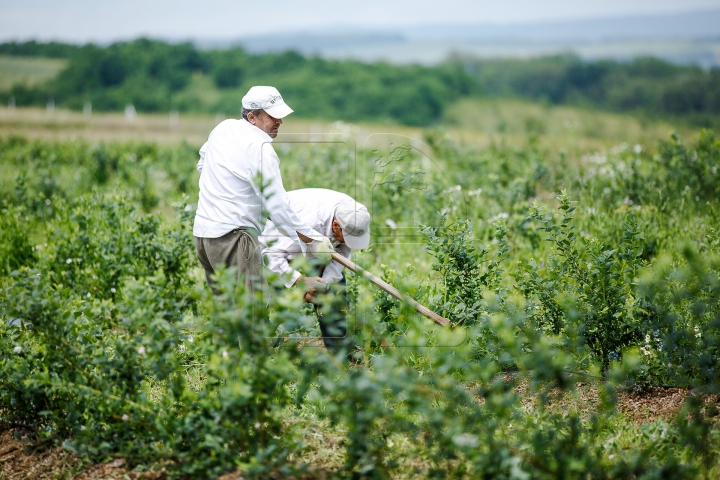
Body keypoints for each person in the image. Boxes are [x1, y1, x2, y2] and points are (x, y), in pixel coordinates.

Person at [193, 86, 334, 294]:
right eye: (273, 116)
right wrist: (312, 239)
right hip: (234, 239)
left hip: (204, 237)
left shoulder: (224, 128)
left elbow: (202, 164)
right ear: (252, 117)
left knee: (228, 313)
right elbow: (278, 207)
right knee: (251, 317)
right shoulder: (261, 148)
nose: (280, 121)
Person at [259, 188, 370, 357]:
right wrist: (299, 280)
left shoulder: (354, 215)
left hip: (320, 247)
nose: (349, 243)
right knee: (273, 298)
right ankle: (269, 350)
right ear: (336, 226)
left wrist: (322, 284)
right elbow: (269, 256)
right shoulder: (306, 222)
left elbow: (342, 254)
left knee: (334, 294)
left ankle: (338, 351)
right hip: (274, 243)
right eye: (346, 238)